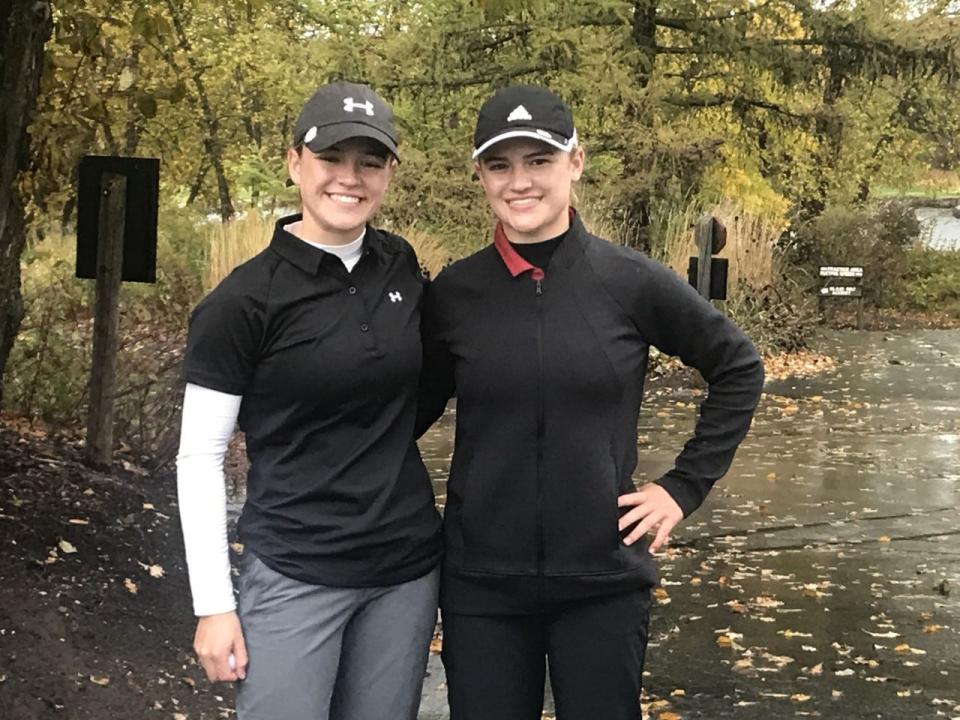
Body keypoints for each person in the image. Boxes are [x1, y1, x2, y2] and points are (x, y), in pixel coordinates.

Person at [417, 85, 765, 720]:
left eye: (539, 161)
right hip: (482, 586)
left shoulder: (629, 281)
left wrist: (682, 488)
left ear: (575, 162)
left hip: (603, 583)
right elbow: (400, 412)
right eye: (500, 165)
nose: (520, 182)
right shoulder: (453, 294)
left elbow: (738, 367)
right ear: (480, 176)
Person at [176, 81, 442, 720]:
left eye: (369, 162)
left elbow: (418, 392)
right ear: (296, 161)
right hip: (297, 570)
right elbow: (199, 457)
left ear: (388, 174)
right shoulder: (243, 303)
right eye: (331, 159)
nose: (349, 179)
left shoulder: (400, 265)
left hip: (403, 573)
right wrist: (213, 605)